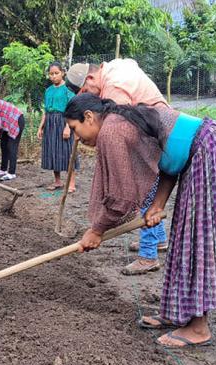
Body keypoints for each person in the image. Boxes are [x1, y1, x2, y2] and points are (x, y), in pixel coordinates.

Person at [65, 94, 216, 348]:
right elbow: (168, 159)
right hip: (207, 150)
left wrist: (97, 230)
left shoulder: (111, 130)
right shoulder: (122, 120)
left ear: (88, 116)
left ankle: (198, 328)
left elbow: (122, 197)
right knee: (185, 239)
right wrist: (158, 205)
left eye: (75, 128)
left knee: (199, 240)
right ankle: (177, 313)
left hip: (212, 153)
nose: (77, 137)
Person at [66, 58, 168, 275]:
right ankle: (158, 240)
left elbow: (122, 193)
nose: (90, 97)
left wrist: (97, 229)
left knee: (145, 195)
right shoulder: (114, 71)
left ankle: (148, 256)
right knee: (152, 200)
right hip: (158, 142)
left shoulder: (114, 93)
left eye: (86, 91)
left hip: (157, 141)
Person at [37, 62, 77, 192]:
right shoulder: (48, 91)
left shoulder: (68, 90)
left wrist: (67, 127)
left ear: (63, 73)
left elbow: (72, 110)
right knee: (53, 151)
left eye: (56, 73)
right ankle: (58, 181)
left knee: (66, 151)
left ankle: (71, 183)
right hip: (50, 123)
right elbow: (46, 111)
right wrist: (40, 127)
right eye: (51, 74)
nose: (53, 76)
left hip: (63, 121)